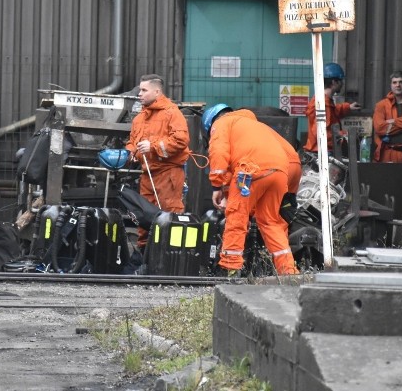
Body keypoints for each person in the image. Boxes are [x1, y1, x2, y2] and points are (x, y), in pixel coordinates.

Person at [203, 103, 301, 276]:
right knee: (270, 222)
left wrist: (216, 186)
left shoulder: (221, 123)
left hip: (250, 171)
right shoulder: (255, 125)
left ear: (211, 124)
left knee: (236, 216)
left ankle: (229, 269)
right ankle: (288, 271)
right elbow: (291, 158)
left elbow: (218, 153)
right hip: (279, 172)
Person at [125, 74, 190, 248]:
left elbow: (181, 140)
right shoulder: (140, 118)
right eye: (140, 90)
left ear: (157, 92)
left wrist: (153, 146)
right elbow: (133, 142)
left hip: (168, 174)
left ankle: (171, 255)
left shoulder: (172, 113)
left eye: (144, 90)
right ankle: (144, 254)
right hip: (147, 175)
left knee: (169, 215)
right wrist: (129, 154)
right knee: (144, 217)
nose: (140, 94)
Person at [304, 62, 361, 155]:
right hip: (321, 153)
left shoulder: (325, 101)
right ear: (334, 82)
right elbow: (320, 132)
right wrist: (343, 134)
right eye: (341, 81)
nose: (342, 84)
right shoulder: (322, 104)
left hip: (321, 151)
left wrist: (348, 107)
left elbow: (332, 113)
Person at [372, 70, 402, 163]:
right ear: (391, 85)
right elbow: (379, 128)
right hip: (386, 154)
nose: (398, 85)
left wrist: (392, 121)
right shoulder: (381, 105)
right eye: (394, 82)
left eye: (401, 82)